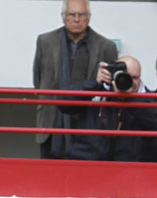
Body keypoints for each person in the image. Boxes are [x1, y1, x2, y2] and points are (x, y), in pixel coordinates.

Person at [33, 0, 118, 159]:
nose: (77, 19)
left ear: (89, 17)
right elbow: (38, 79)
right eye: (72, 14)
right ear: (63, 17)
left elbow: (111, 87)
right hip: (52, 120)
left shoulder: (106, 46)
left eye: (82, 15)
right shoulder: (45, 41)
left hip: (89, 124)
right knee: (49, 176)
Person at [58, 56, 157, 161]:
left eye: (135, 77)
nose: (128, 81)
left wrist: (130, 99)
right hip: (89, 161)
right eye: (125, 76)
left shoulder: (149, 97)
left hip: (129, 167)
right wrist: (95, 83)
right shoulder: (96, 90)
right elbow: (63, 103)